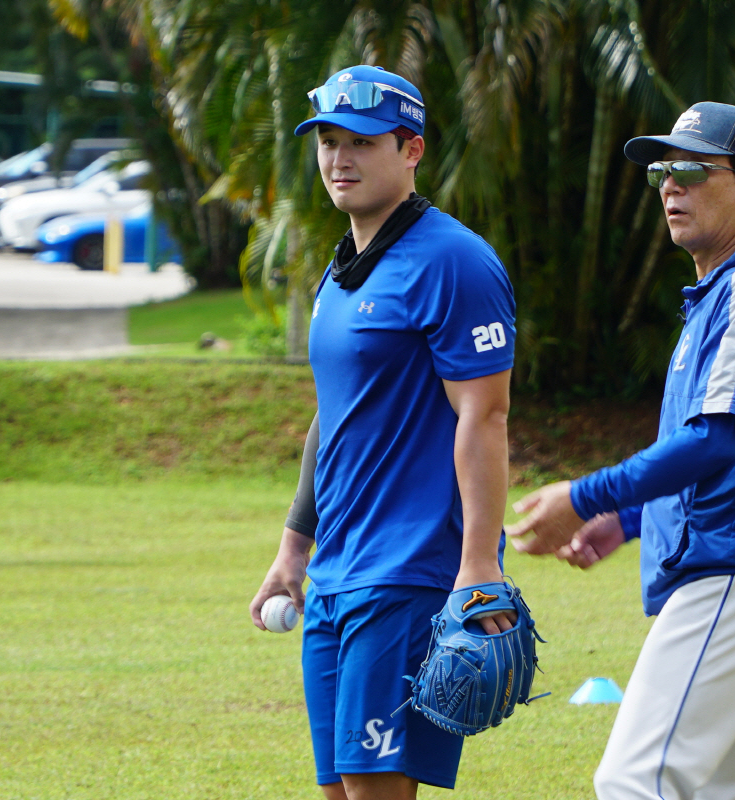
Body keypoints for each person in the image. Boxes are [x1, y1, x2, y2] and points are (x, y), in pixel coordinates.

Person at [506, 101, 735, 800]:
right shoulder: (725, 288)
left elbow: (717, 439)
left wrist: (584, 497)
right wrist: (629, 523)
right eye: (663, 170)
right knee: (706, 792)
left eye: (693, 169)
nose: (670, 186)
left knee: (635, 781)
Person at [248, 65, 517, 800]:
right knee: (338, 790)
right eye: (329, 141)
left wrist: (478, 567)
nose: (340, 159)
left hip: (408, 571)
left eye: (362, 142)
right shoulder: (342, 272)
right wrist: (292, 550)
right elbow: (333, 416)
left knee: (375, 791)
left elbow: (485, 415)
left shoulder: (453, 261)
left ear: (411, 150)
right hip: (336, 573)